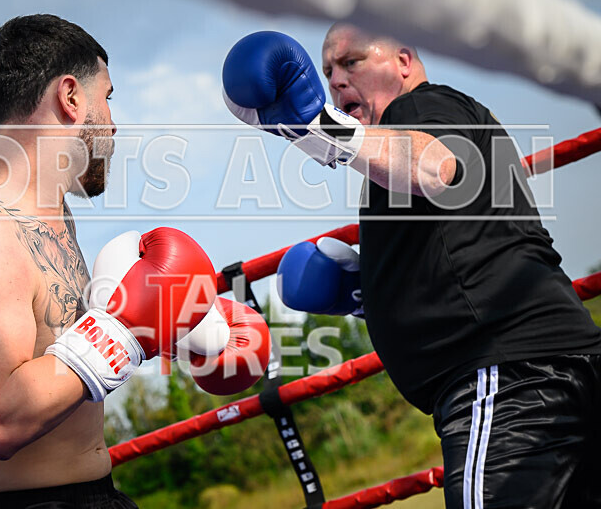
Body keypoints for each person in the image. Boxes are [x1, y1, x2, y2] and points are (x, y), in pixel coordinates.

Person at [224, 25, 601, 508]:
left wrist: (321, 125)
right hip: (541, 369)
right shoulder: (418, 135)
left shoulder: (419, 107)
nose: (337, 80)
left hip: (505, 381)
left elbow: (436, 168)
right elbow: (468, 244)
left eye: (352, 62)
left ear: (403, 61)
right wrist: (367, 294)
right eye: (327, 71)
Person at [0, 14, 235, 509]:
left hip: (93, 493)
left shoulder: (52, 215)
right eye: (107, 97)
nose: (111, 120)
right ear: (70, 97)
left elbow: (64, 359)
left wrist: (175, 332)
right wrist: (126, 331)